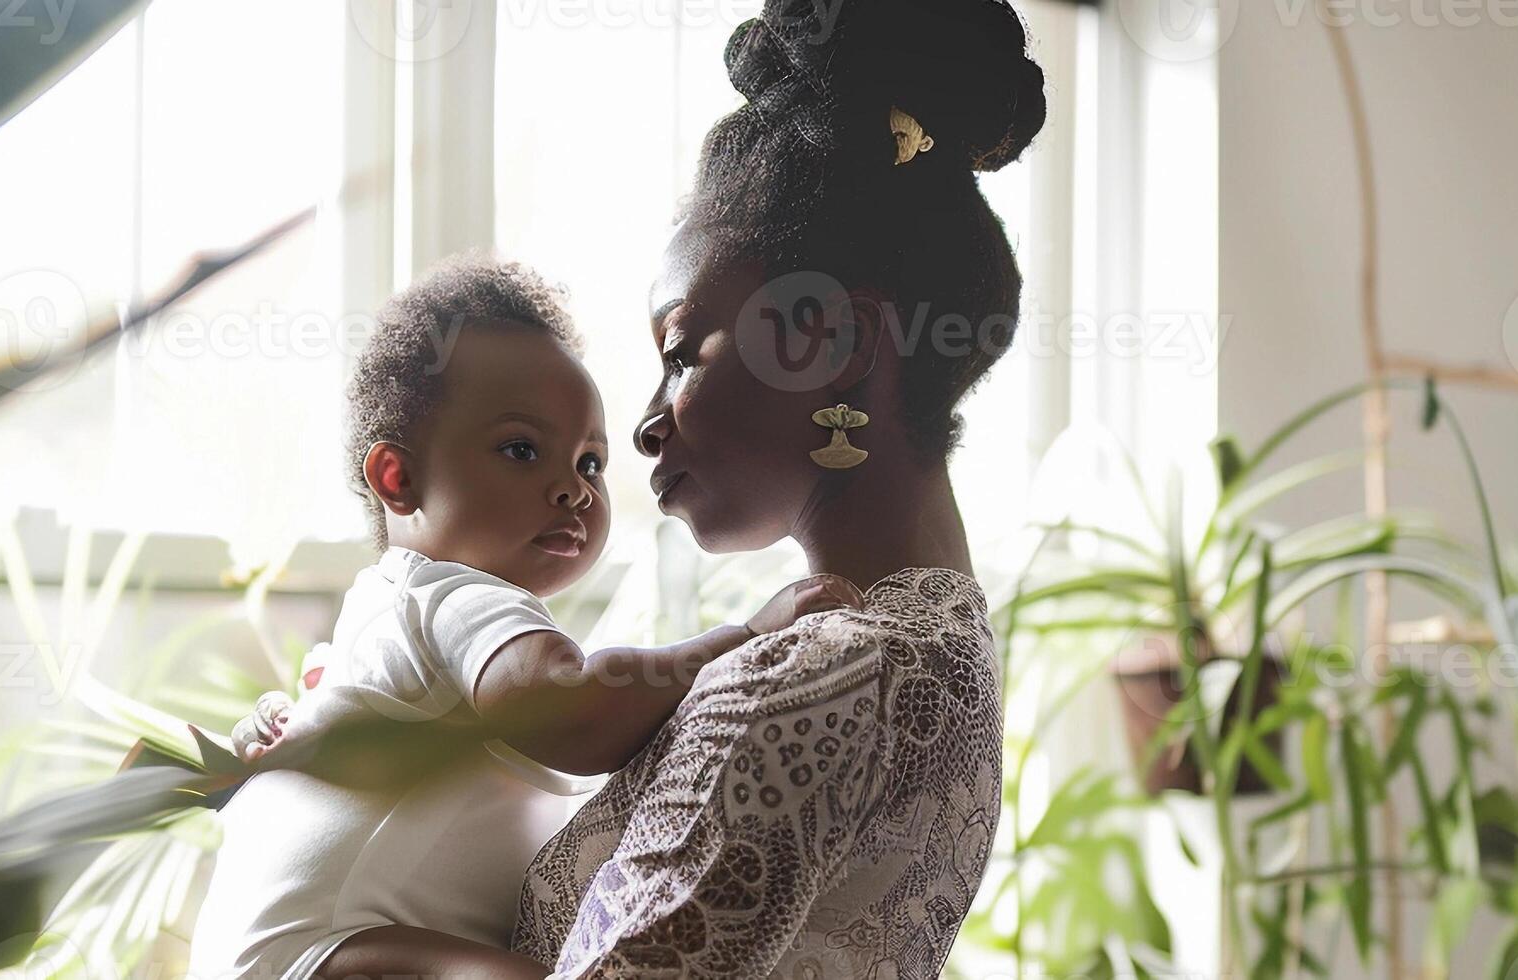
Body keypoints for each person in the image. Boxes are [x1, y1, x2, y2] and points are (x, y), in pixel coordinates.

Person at [280, 0, 1047, 974]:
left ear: (827, 340)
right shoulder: (946, 642)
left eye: (681, 350)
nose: (643, 424)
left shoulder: (813, 669)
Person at [190, 259, 862, 980]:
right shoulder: (457, 598)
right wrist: (747, 637)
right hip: (331, 948)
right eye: (522, 450)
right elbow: (563, 709)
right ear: (400, 479)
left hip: (276, 943)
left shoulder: (400, 605)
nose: (572, 489)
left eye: (591, 463)